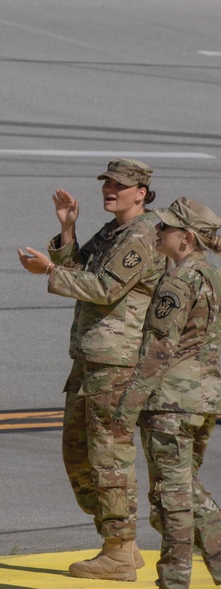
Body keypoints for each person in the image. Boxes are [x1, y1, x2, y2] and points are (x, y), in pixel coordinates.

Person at [17, 158, 167, 581]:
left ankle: (118, 552)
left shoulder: (142, 235)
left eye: (120, 185)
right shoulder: (114, 230)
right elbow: (80, 271)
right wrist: (67, 230)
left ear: (141, 192)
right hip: (91, 358)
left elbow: (104, 288)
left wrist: (47, 271)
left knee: (109, 458)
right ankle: (121, 542)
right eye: (107, 183)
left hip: (116, 362)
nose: (110, 189)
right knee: (79, 455)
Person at [111, 197, 221, 589]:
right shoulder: (214, 276)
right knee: (182, 491)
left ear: (187, 238)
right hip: (205, 401)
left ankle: (174, 581)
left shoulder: (178, 281)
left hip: (172, 404)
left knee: (172, 499)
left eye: (167, 228)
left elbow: (157, 349)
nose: (158, 231)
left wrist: (127, 407)